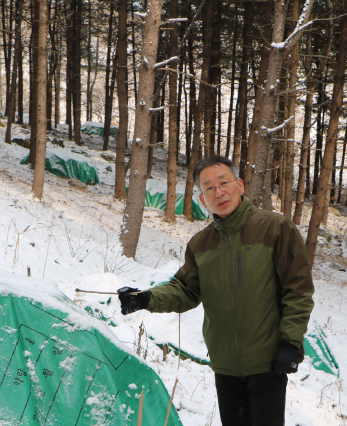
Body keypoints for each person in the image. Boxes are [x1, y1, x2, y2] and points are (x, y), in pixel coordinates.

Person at [118, 155, 314, 426]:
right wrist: (146, 298)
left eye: (224, 183)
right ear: (202, 199)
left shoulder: (276, 229)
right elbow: (185, 289)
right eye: (209, 188)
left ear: (240, 185)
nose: (218, 192)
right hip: (225, 366)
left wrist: (290, 343)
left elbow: (298, 290)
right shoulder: (201, 244)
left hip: (267, 362)